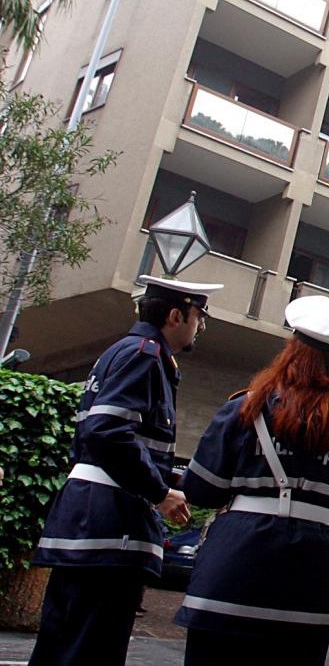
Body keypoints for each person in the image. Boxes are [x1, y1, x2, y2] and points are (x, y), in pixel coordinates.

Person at [174, 295, 329, 666]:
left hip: (236, 570)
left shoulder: (246, 409)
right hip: (313, 584)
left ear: (291, 351)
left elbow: (201, 489)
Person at [29, 276, 220, 666]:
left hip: (92, 520)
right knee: (91, 648)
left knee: (63, 644)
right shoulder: (144, 356)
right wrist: (159, 492)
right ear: (174, 315)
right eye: (198, 315)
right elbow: (107, 432)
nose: (200, 325)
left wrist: (168, 484)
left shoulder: (123, 351)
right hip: (110, 525)